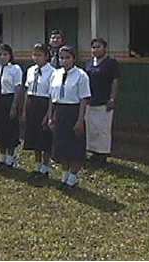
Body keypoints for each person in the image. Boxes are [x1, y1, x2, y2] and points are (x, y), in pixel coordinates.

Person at [48, 45, 91, 188]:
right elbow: (52, 97)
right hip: (59, 111)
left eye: (67, 58)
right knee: (61, 145)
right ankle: (64, 174)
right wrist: (51, 116)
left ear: (74, 58)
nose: (64, 61)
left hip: (73, 112)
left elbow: (84, 99)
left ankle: (73, 176)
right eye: (61, 58)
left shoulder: (81, 75)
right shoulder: (55, 74)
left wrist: (80, 120)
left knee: (75, 146)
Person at [84, 38, 120, 164]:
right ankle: (93, 152)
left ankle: (102, 155)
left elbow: (115, 81)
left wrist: (112, 98)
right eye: (93, 47)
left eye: (98, 47)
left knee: (103, 129)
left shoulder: (111, 63)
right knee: (91, 128)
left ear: (105, 48)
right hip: (90, 101)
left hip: (104, 101)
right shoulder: (88, 63)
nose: (95, 50)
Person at [22, 43, 55, 178]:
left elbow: (52, 95)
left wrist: (48, 114)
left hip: (44, 104)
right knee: (34, 136)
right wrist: (24, 110)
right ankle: (38, 165)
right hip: (31, 103)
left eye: (40, 55)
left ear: (46, 56)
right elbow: (27, 90)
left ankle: (46, 168)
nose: (36, 58)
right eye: (34, 55)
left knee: (45, 138)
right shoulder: (30, 70)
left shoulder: (52, 72)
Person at [0, 44, 22, 167]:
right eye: (0, 54)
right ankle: (1, 157)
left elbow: (18, 88)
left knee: (10, 129)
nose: (2, 57)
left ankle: (10, 158)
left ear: (10, 56)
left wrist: (14, 106)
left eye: (5, 54)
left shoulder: (15, 69)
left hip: (9, 99)